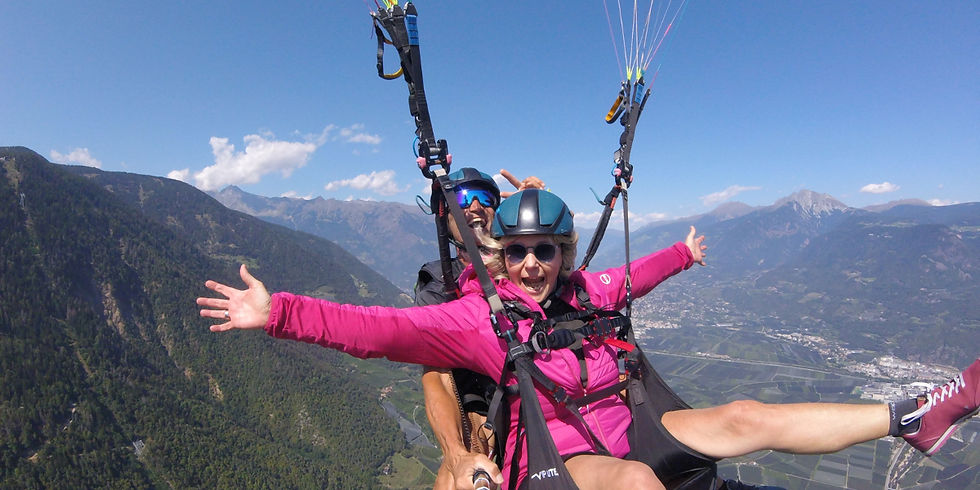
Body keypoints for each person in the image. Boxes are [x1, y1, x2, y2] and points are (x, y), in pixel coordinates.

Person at [198, 189, 980, 490]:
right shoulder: (477, 319)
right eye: (518, 253)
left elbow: (635, 277)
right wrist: (284, 313)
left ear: (565, 255)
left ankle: (913, 417)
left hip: (629, 426)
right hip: (554, 459)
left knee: (742, 416)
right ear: (499, 258)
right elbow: (382, 332)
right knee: (638, 488)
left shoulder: (586, 291)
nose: (533, 265)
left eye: (546, 251)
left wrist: (686, 255)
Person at [414, 167, 544, 489]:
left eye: (484, 197)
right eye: (460, 198)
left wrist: (539, 212)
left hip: (537, 392)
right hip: (482, 411)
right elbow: (437, 376)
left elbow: (562, 272)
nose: (473, 206)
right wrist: (456, 454)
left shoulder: (521, 262)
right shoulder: (438, 288)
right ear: (444, 218)